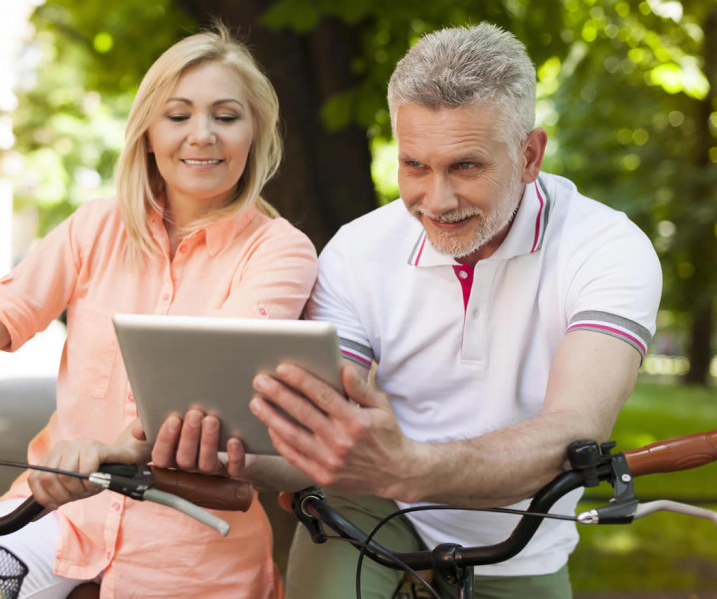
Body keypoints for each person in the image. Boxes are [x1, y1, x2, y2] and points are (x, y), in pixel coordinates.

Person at [0, 25, 318, 598]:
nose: (202, 135)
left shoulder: (280, 250)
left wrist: (114, 447)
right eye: (178, 115)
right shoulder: (95, 227)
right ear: (146, 133)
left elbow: (206, 384)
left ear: (255, 132)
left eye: (226, 115)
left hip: (190, 550)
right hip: (55, 516)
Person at [242, 22, 662, 598]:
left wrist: (409, 464)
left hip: (524, 538)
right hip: (370, 507)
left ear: (530, 154)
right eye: (415, 165)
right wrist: (227, 454)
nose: (436, 201)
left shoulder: (607, 247)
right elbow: (316, 429)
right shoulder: (357, 250)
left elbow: (576, 427)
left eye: (466, 166)